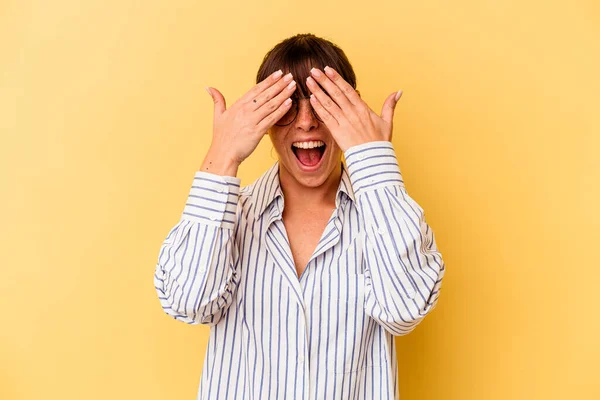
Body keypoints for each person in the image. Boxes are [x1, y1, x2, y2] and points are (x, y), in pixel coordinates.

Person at [153, 33, 445, 400]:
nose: (306, 122)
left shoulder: (383, 221)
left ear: (349, 114)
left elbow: (404, 308)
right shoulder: (232, 218)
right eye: (287, 105)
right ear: (262, 118)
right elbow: (188, 301)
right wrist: (222, 156)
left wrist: (373, 157)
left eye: (323, 104)